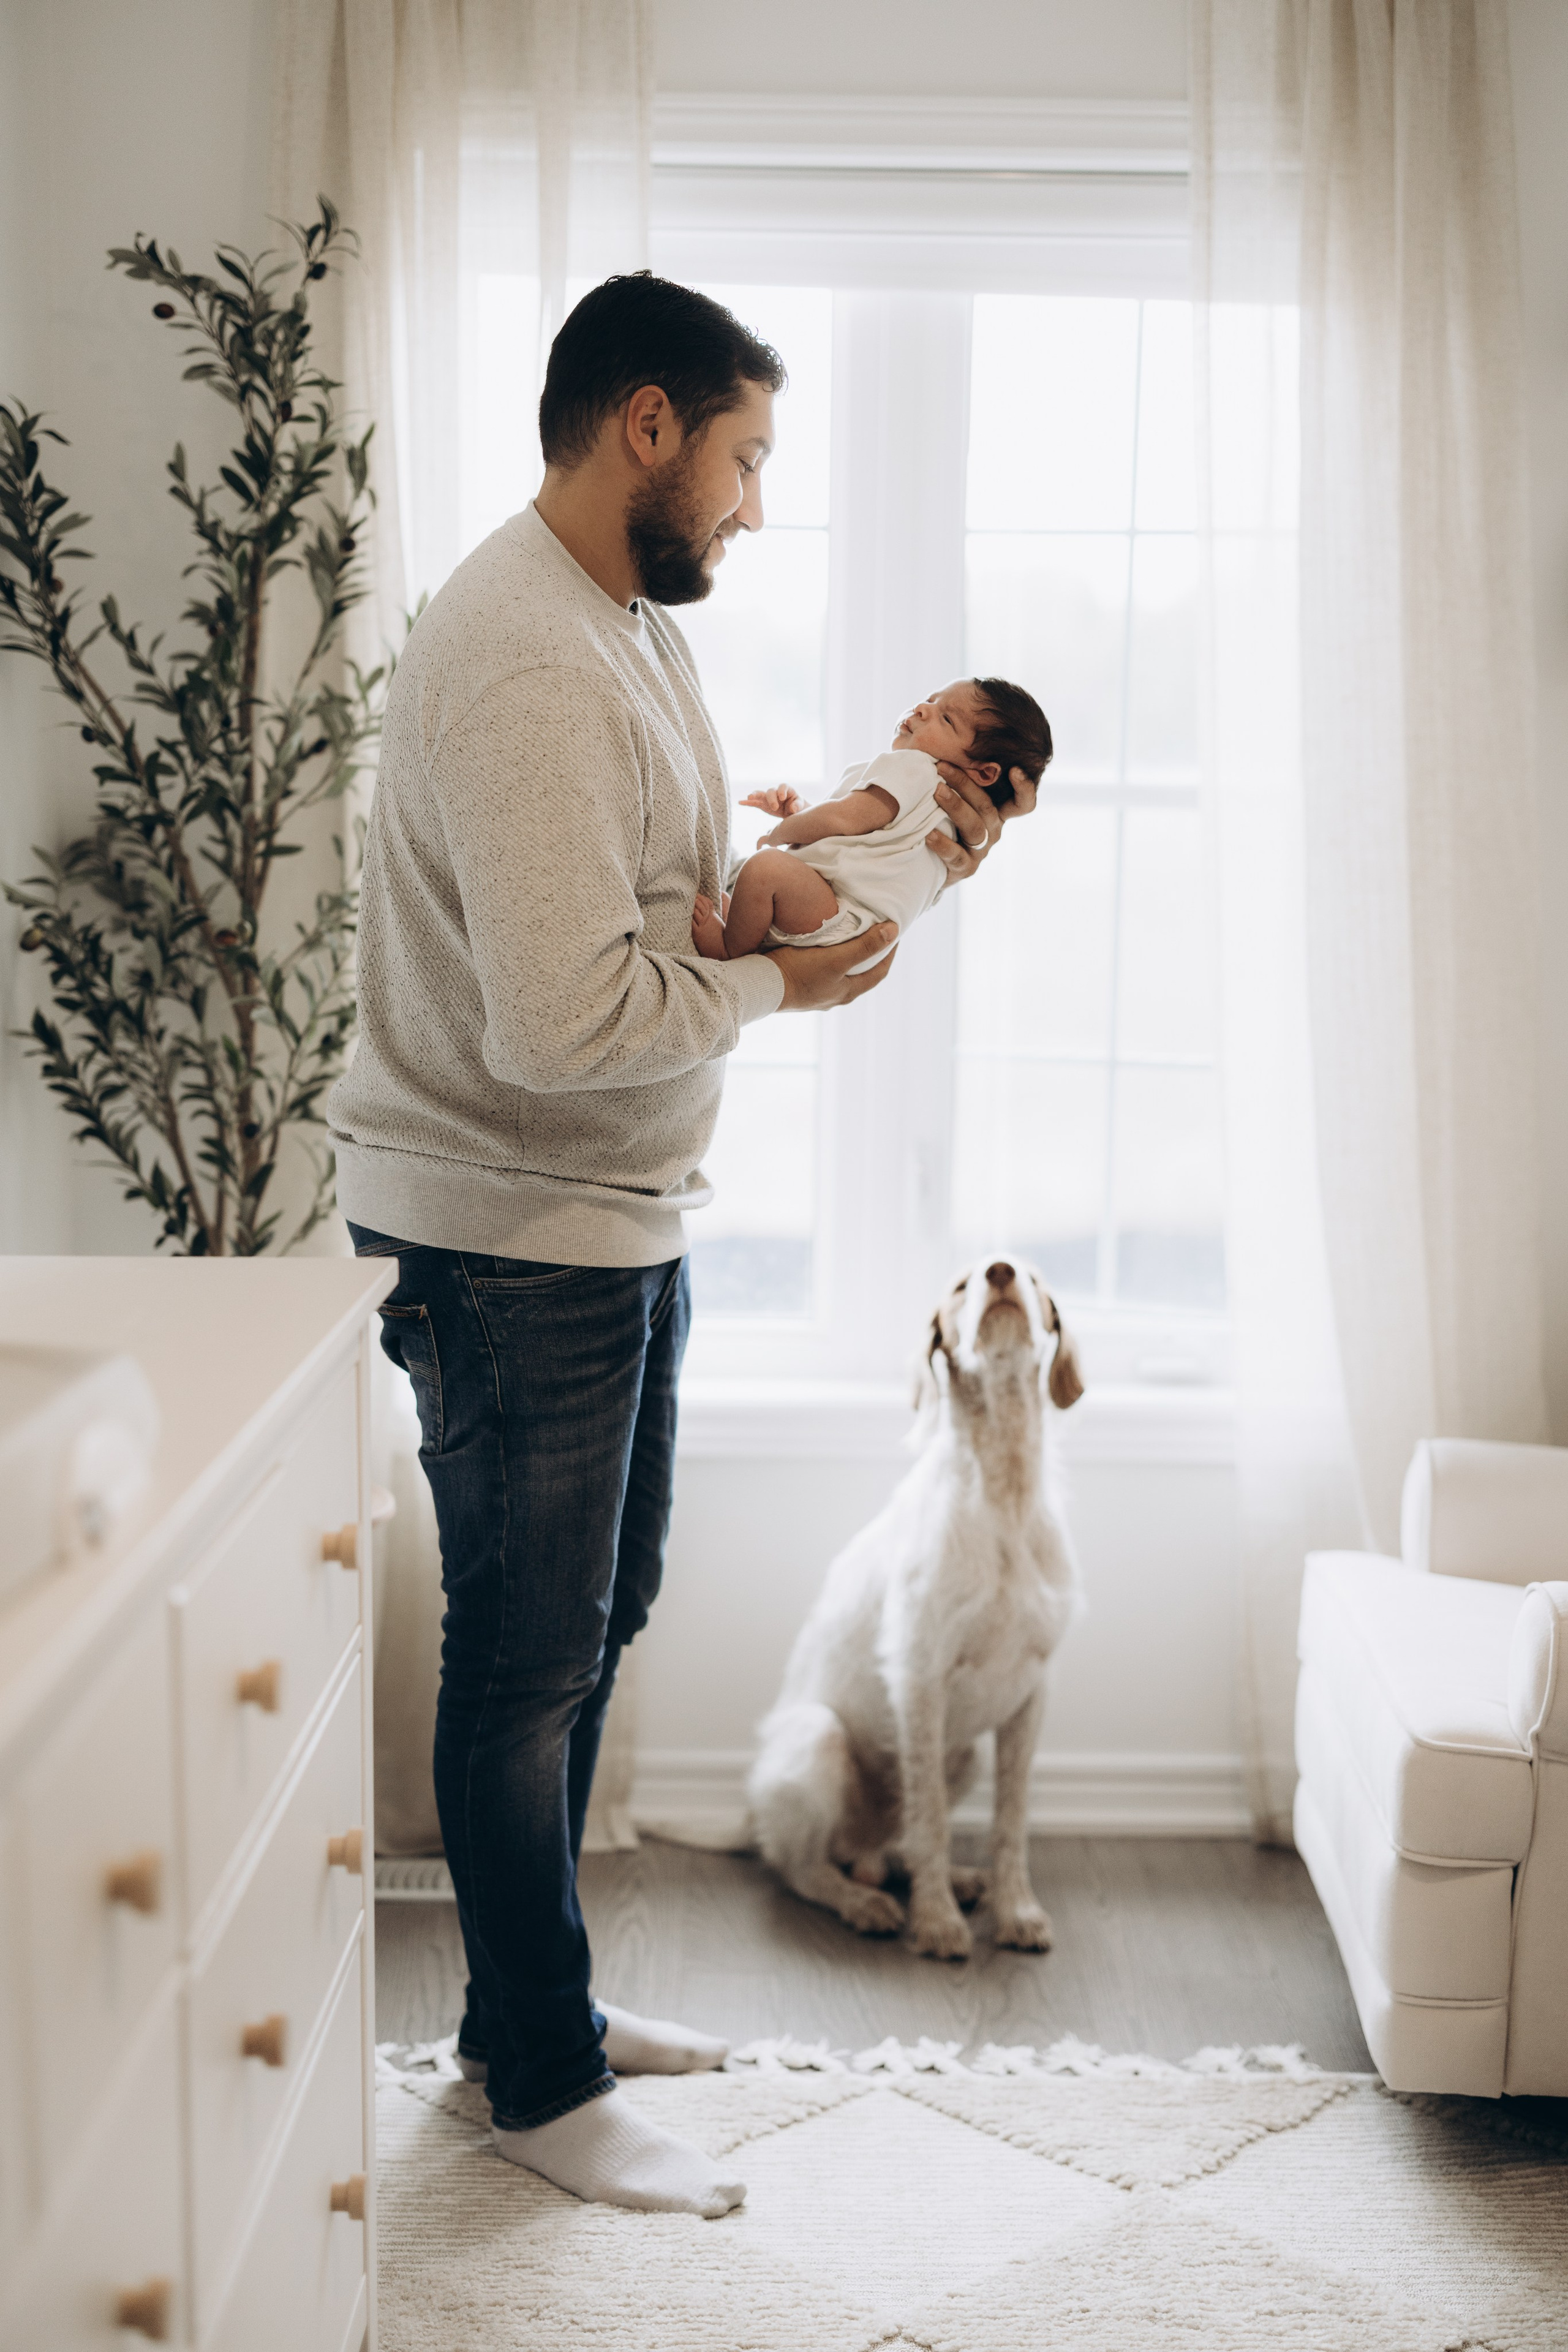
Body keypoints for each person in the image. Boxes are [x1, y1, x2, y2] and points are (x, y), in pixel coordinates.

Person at [326, 273, 1037, 2220]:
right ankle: (537, 2079)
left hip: (611, 1210)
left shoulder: (617, 624)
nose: (747, 505)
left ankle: (520, 2008)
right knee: (526, 1656)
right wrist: (792, 996)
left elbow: (666, 903)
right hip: (514, 1229)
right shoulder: (535, 657)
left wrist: (872, 858)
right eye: (742, 460)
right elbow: (564, 1020)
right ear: (646, 425)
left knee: (593, 1616)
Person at [691, 676, 1051, 967]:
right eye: (931, 699)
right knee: (743, 894)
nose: (924, 708)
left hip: (840, 912)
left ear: (985, 772)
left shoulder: (917, 769)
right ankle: (743, 924)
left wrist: (780, 832)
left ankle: (730, 950)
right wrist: (803, 813)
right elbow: (862, 841)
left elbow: (845, 819)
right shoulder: (951, 820)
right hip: (863, 938)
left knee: (766, 869)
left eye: (947, 718)